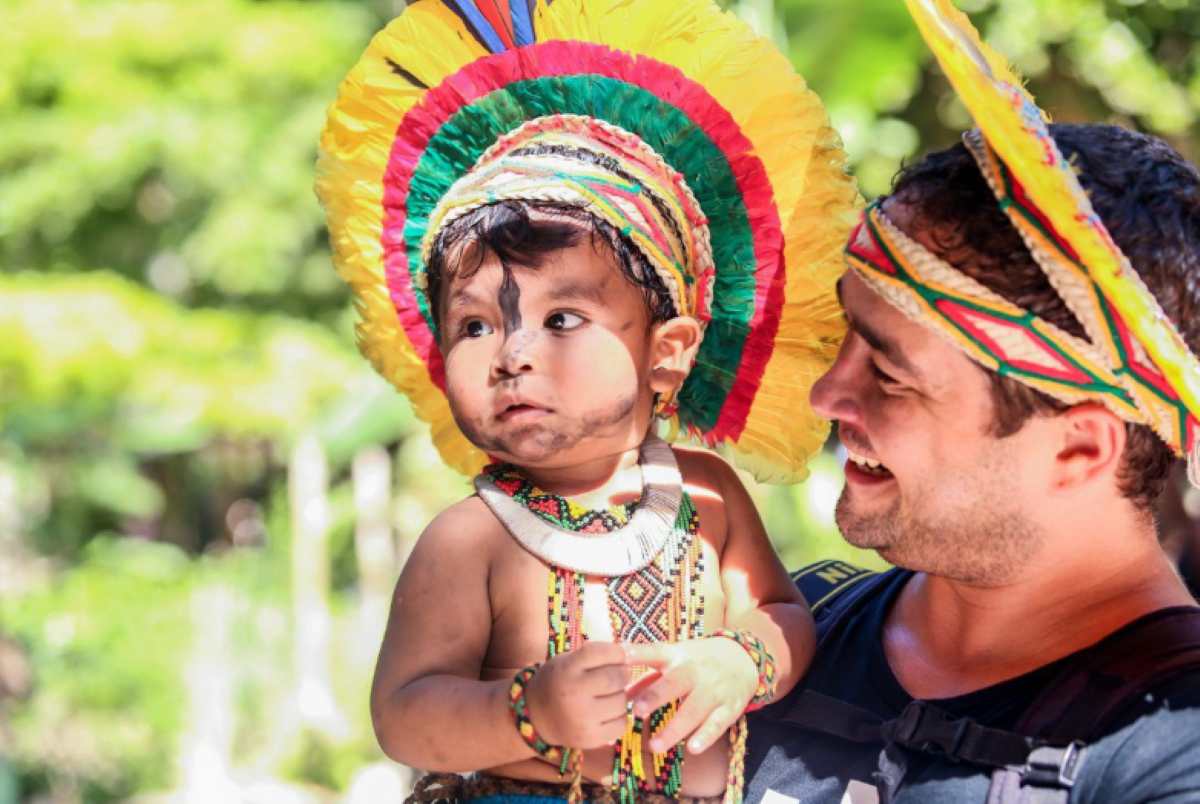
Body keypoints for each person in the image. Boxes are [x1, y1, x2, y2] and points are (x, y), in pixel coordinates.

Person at [314, 1, 860, 800]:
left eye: (560, 318)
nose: (512, 354)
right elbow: (404, 713)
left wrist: (741, 659)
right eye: (472, 326)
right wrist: (527, 713)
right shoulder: (469, 542)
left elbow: (783, 612)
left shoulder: (712, 499)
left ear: (666, 354)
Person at [745, 2, 1200, 803]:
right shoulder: (778, 639)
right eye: (848, 338)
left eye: (889, 375)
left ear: (1079, 448)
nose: (828, 393)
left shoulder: (1170, 762)